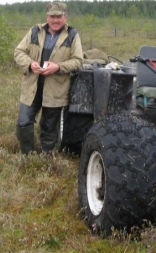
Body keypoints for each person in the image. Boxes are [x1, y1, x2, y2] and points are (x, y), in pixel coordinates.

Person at [14, 2, 83, 155]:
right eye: (52, 16)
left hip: (55, 90)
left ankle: (47, 157)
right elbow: (19, 52)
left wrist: (57, 67)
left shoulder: (72, 35)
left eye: (59, 16)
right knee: (24, 122)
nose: (55, 20)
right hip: (32, 87)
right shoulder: (35, 31)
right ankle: (28, 155)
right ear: (47, 17)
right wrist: (30, 64)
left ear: (65, 17)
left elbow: (78, 61)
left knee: (49, 126)